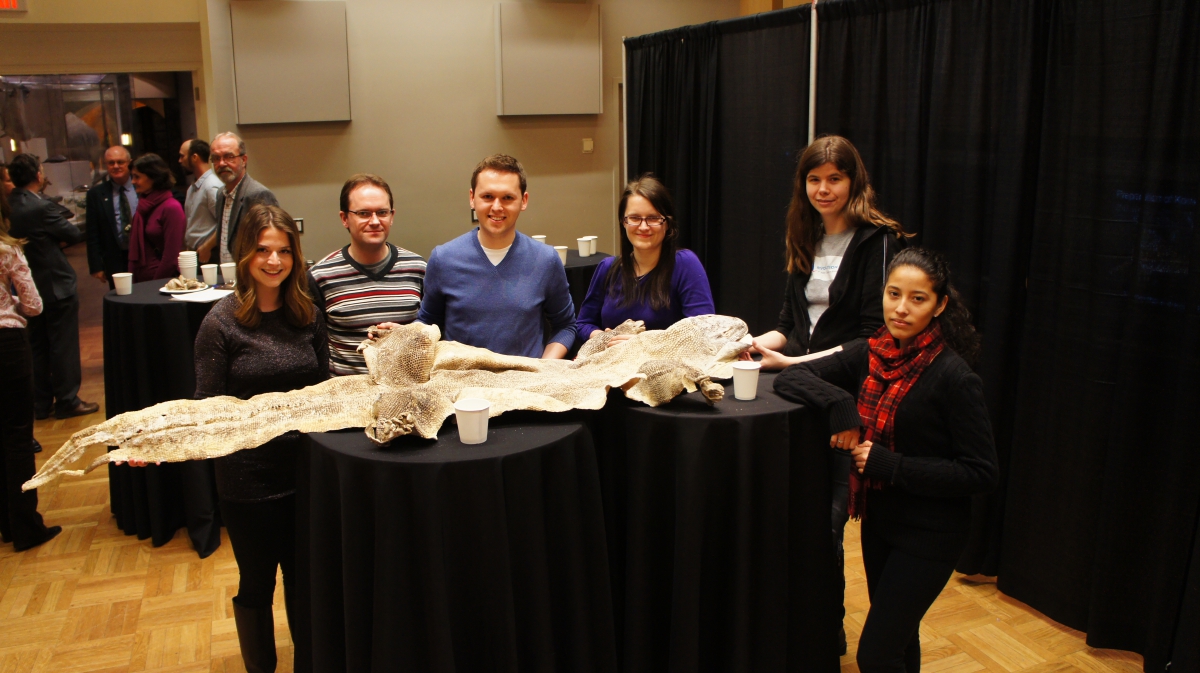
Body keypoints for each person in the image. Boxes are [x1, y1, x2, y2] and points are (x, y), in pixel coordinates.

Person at [774, 248, 997, 672]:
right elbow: (793, 375)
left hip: (931, 533)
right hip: (882, 524)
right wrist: (841, 404)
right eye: (894, 294)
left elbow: (980, 472)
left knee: (875, 654)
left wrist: (889, 465)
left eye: (918, 298)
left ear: (940, 304)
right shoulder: (872, 352)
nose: (901, 308)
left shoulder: (954, 378)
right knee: (898, 644)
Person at [740, 135, 909, 653]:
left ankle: (826, 633)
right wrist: (745, 343)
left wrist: (791, 363)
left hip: (845, 401)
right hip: (801, 393)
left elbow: (871, 339)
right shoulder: (804, 233)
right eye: (814, 179)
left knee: (828, 523)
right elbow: (791, 324)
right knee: (794, 518)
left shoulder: (878, 242)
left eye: (834, 178)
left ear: (853, 181)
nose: (823, 189)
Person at [194, 204, 326, 672]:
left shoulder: (306, 312)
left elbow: (323, 388)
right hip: (248, 480)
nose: (274, 261)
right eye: (263, 251)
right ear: (245, 254)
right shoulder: (220, 323)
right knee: (256, 582)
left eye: (284, 251)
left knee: (305, 580)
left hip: (305, 472)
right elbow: (207, 407)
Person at [417, 154, 576, 358]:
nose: (497, 207)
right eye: (488, 197)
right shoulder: (444, 258)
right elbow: (427, 324)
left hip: (524, 383)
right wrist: (403, 335)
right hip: (461, 382)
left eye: (508, 198)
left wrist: (544, 368)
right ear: (472, 198)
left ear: (523, 200)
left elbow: (566, 326)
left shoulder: (545, 259)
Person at [6, 154, 98, 420]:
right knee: (63, 345)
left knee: (37, 345)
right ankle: (68, 400)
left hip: (25, 286)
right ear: (38, 175)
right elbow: (71, 234)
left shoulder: (8, 206)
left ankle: (41, 402)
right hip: (56, 284)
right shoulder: (41, 207)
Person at [308, 173, 425, 375]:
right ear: (344, 218)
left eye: (382, 212)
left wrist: (409, 335)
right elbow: (311, 348)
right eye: (363, 213)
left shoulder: (419, 269)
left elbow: (436, 334)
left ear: (392, 216)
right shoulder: (320, 276)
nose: (374, 221)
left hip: (407, 393)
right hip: (346, 396)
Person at [577, 174, 714, 347]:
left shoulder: (685, 264)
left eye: (653, 218)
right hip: (612, 367)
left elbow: (703, 332)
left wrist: (644, 344)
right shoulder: (607, 268)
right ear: (623, 222)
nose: (643, 226)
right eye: (635, 218)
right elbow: (582, 324)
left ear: (667, 223)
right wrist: (602, 337)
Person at [0, 176, 61, 552]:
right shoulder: (8, 251)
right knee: (18, 437)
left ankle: (6, 523)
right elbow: (34, 305)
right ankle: (25, 527)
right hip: (7, 343)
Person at [198, 132, 279, 265]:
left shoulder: (258, 194)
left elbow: (272, 244)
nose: (222, 163)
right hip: (227, 276)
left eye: (229, 157)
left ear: (244, 159)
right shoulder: (220, 194)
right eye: (216, 158)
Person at [127, 153, 186, 283]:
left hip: (161, 283)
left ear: (153, 177)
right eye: (132, 176)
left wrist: (154, 285)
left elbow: (171, 257)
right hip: (140, 281)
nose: (133, 181)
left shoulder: (171, 207)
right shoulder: (144, 205)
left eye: (137, 177)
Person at [85, 146, 136, 288]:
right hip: (115, 259)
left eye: (120, 162)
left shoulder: (141, 187)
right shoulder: (96, 194)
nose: (116, 166)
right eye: (111, 163)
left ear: (129, 163)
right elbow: (92, 232)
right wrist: (96, 266)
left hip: (142, 257)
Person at [178, 139, 224, 252]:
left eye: (182, 156)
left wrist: (206, 247)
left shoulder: (212, 187)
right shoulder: (192, 188)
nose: (179, 161)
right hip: (196, 252)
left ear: (194, 157)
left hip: (209, 253)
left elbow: (225, 224)